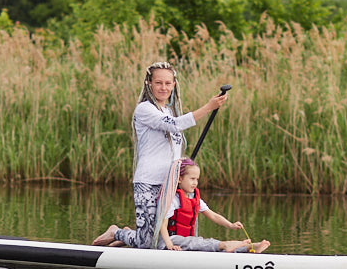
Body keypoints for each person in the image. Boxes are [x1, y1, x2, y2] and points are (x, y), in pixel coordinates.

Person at [92, 62, 228, 249]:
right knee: (147, 243)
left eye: (167, 83)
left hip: (170, 183)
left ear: (174, 85)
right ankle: (117, 232)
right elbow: (175, 124)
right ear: (149, 83)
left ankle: (135, 235)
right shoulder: (144, 109)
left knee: (165, 238)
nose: (163, 87)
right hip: (148, 182)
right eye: (158, 83)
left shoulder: (170, 111)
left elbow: (175, 145)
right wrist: (208, 107)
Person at [159, 158, 270, 253]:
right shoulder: (173, 200)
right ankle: (226, 244)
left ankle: (248, 248)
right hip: (171, 240)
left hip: (187, 241)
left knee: (201, 243)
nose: (195, 183)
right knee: (199, 242)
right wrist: (169, 245)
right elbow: (162, 226)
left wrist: (230, 225)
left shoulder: (195, 199)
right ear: (179, 179)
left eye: (197, 179)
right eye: (192, 179)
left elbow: (213, 216)